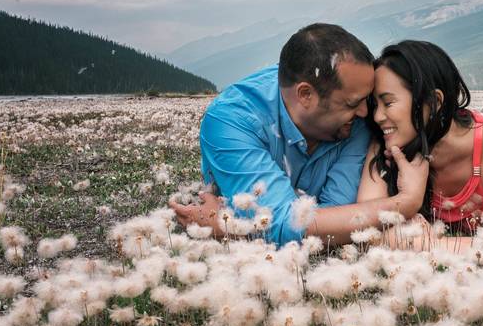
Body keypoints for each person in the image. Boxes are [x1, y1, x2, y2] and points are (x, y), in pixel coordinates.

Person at [170, 23, 428, 246]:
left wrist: (234, 229)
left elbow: (335, 215)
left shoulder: (354, 115)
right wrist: (404, 203)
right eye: (351, 104)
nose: (366, 113)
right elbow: (291, 223)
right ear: (305, 95)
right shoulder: (231, 120)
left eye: (365, 100)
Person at [357, 40, 483, 243]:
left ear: (434, 102)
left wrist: (431, 246)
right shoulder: (386, 145)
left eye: (388, 102)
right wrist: (409, 199)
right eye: (375, 105)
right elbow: (366, 228)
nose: (377, 116)